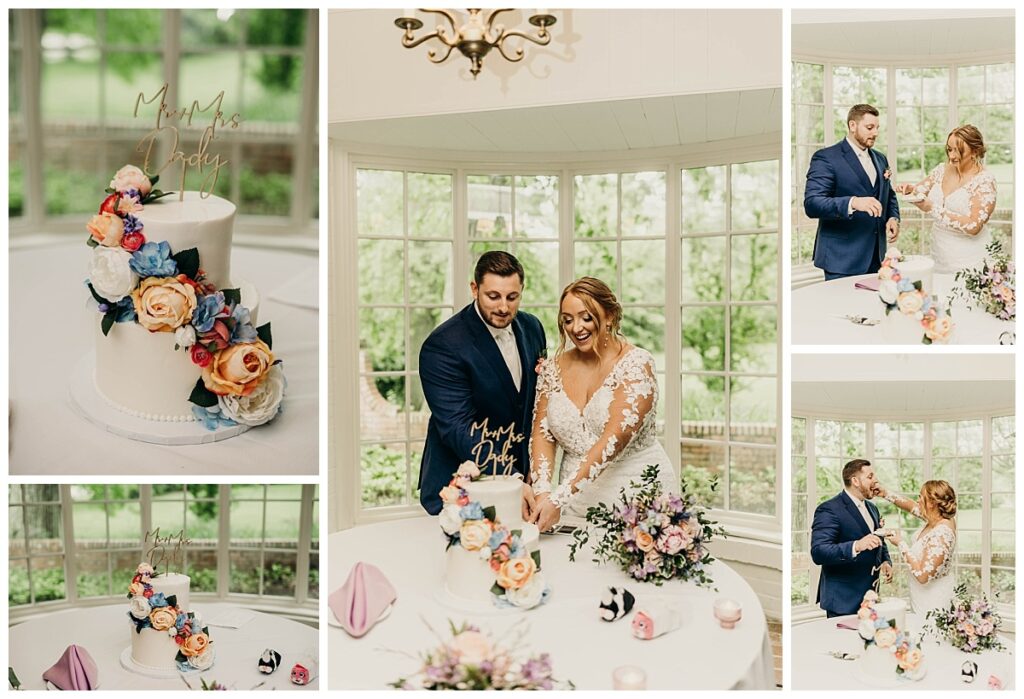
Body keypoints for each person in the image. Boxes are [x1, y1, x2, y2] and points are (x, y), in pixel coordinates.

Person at [526, 277, 677, 532]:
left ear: (610, 316)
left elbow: (612, 442)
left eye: (586, 317)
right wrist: (542, 491)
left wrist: (558, 497)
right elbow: (542, 434)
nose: (576, 328)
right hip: (573, 504)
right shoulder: (553, 367)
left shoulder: (636, 365)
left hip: (636, 496)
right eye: (568, 319)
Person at [417, 251, 547, 515]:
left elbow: (531, 406)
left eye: (512, 297)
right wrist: (511, 478)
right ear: (475, 288)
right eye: (493, 296)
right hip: (461, 488)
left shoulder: (533, 328)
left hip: (522, 479)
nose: (503, 307)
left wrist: (532, 469)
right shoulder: (443, 345)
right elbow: (458, 426)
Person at [804, 103, 900, 280]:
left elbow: (889, 194)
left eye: (877, 128)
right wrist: (853, 202)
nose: (875, 133)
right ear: (852, 126)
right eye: (869, 127)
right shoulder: (826, 157)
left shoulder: (880, 158)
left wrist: (893, 217)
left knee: (873, 307)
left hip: (876, 257)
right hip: (841, 258)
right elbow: (812, 204)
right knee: (842, 308)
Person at [894, 125, 996, 273]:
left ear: (975, 151)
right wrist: (910, 190)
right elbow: (919, 192)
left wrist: (932, 209)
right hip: (939, 252)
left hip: (969, 258)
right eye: (949, 149)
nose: (952, 156)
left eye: (959, 151)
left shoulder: (984, 181)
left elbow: (974, 226)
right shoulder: (942, 169)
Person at [809, 459, 892, 617]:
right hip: (843, 599)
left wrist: (885, 560)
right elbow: (819, 552)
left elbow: (877, 538)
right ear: (855, 481)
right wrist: (856, 546)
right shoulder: (829, 509)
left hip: (870, 598)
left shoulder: (872, 508)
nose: (875, 481)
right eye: (870, 477)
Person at [876, 480, 958, 613]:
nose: (918, 500)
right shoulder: (934, 518)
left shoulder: (943, 532)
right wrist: (885, 493)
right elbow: (910, 506)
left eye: (921, 496)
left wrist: (900, 543)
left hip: (933, 601)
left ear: (932, 503)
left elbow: (923, 576)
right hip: (920, 596)